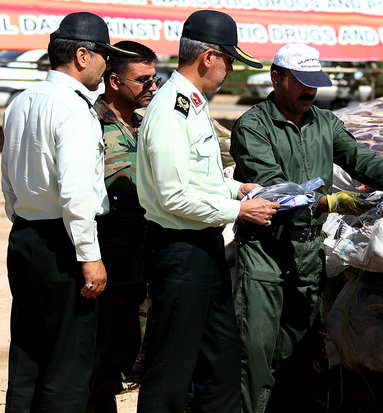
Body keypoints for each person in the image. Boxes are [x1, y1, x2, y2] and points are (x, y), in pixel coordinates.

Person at [230, 43, 383, 413]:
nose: (310, 91)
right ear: (277, 77)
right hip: (266, 250)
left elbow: (357, 157)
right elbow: (273, 189)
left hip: (307, 250)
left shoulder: (325, 122)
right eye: (301, 83)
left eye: (315, 83)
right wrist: (331, 202)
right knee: (257, 350)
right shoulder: (253, 126)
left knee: (299, 349)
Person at [135, 10, 280, 413]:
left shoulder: (193, 104)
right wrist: (240, 209)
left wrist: (239, 187)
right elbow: (174, 197)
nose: (230, 71)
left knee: (221, 357)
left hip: (203, 244)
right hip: (179, 248)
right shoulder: (170, 111)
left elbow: (200, 178)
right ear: (208, 58)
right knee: (171, 366)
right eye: (229, 61)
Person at [0, 12, 136, 412]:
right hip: (64, 244)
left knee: (27, 353)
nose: (105, 66)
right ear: (81, 55)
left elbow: (8, 176)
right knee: (69, 363)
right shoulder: (76, 110)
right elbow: (77, 196)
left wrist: (24, 217)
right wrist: (90, 258)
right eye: (102, 56)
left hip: (25, 235)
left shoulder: (22, 100)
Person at [87, 40, 159, 413]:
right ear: (114, 81)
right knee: (95, 362)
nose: (152, 86)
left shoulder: (149, 126)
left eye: (155, 78)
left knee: (129, 353)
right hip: (105, 264)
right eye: (143, 80)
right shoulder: (89, 126)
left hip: (143, 265)